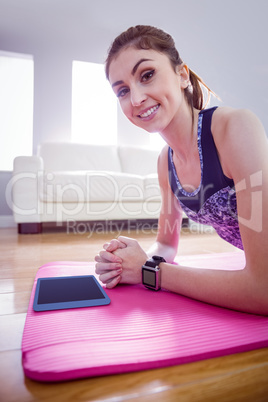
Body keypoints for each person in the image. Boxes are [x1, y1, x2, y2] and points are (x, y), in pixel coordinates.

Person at [95, 25, 268, 315]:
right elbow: (165, 245)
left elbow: (263, 289)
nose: (136, 99)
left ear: (182, 75)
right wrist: (129, 261)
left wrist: (150, 273)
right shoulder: (165, 162)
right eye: (123, 90)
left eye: (147, 75)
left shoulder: (235, 128)